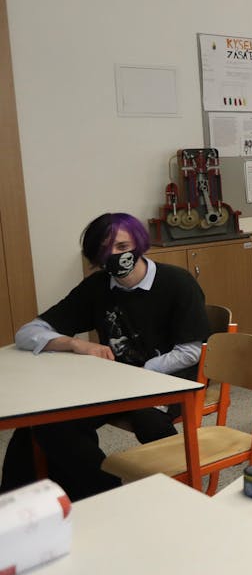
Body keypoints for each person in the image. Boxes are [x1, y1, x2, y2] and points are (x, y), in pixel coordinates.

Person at [1, 213, 209, 499]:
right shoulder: (97, 287)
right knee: (47, 422)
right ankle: (94, 491)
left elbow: (192, 350)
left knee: (149, 421)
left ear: (139, 244)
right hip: (111, 384)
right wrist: (75, 345)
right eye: (104, 251)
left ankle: (169, 492)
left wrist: (144, 370)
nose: (115, 256)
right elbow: (29, 332)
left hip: (168, 382)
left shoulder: (177, 283)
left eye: (123, 247)